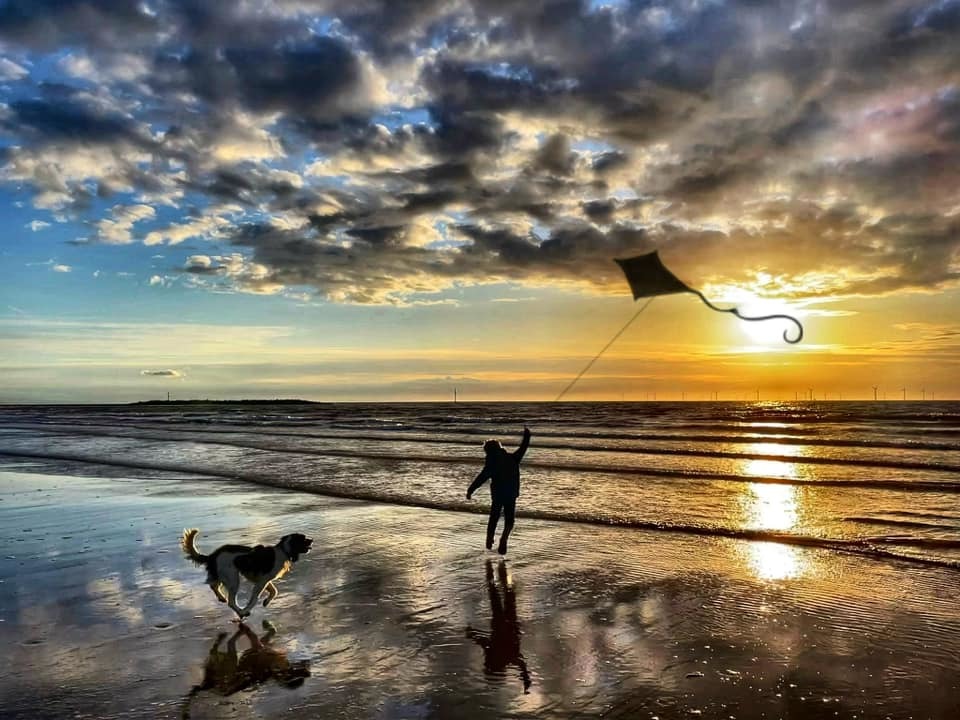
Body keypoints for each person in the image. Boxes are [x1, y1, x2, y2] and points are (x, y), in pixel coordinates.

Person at [466, 425, 531, 554]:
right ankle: (504, 538)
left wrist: (471, 490)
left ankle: (489, 540)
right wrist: (527, 436)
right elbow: (523, 448)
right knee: (510, 520)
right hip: (511, 493)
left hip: (498, 495)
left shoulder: (492, 463)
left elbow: (482, 478)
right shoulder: (513, 458)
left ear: (488, 452)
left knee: (494, 518)